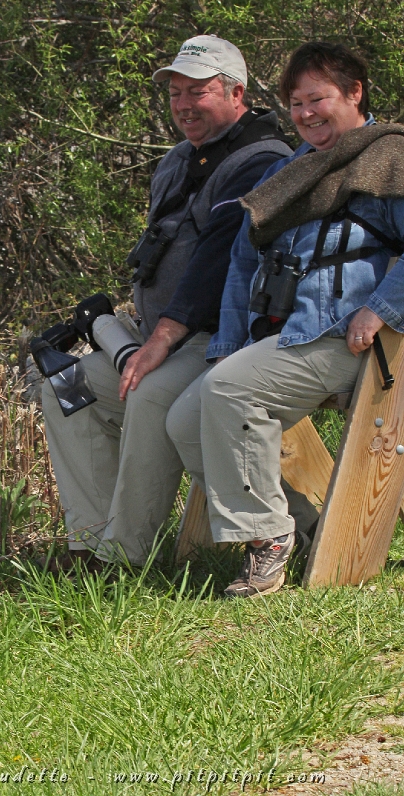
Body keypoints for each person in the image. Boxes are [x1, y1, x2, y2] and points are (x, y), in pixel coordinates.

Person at [41, 35, 300, 572]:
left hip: (219, 339)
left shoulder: (263, 160)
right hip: (163, 335)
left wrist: (157, 342)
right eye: (175, 92)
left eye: (198, 91)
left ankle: (124, 558)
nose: (183, 104)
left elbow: (218, 263)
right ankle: (89, 542)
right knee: (66, 386)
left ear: (237, 94)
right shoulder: (178, 161)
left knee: (149, 394)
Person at [167, 41, 404, 596]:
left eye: (317, 98)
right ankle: (302, 522)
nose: (305, 114)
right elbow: (241, 265)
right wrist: (227, 344)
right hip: (284, 333)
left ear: (353, 93)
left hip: (350, 339)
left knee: (227, 393)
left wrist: (381, 308)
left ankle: (265, 539)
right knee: (184, 417)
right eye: (296, 104)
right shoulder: (289, 170)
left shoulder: (388, 158)